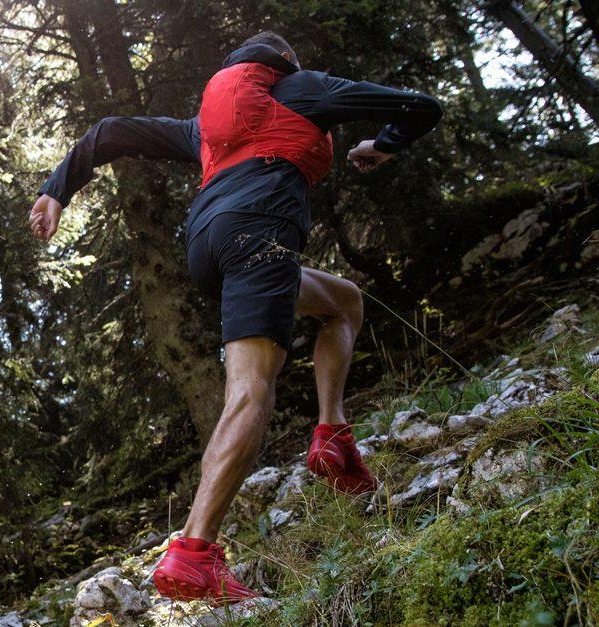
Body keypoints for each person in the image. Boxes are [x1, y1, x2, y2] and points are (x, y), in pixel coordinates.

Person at [27, 31, 442, 605]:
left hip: (208, 246)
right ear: (284, 63)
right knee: (250, 392)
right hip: (260, 232)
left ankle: (332, 436)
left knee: (343, 302)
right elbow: (421, 107)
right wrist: (384, 144)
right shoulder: (302, 89)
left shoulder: (206, 126)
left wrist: (56, 190)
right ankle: (194, 552)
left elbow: (110, 132)